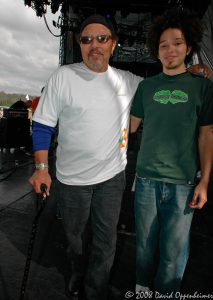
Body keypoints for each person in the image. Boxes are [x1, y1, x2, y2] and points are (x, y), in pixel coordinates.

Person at [28, 13, 211, 300]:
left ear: (114, 45)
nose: (95, 45)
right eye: (87, 39)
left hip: (112, 177)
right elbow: (42, 124)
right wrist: (41, 167)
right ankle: (77, 268)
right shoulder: (63, 77)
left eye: (103, 38)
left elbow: (164, 83)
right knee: (76, 240)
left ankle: (95, 289)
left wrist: (193, 70)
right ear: (80, 45)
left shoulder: (129, 81)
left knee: (106, 241)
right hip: (70, 178)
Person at [130, 7, 213, 294]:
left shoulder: (202, 87)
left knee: (173, 253)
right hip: (145, 181)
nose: (170, 50)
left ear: (189, 46)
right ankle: (141, 289)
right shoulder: (146, 87)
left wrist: (205, 181)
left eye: (177, 43)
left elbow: (206, 135)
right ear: (156, 50)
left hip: (183, 184)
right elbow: (128, 127)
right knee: (143, 245)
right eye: (163, 45)